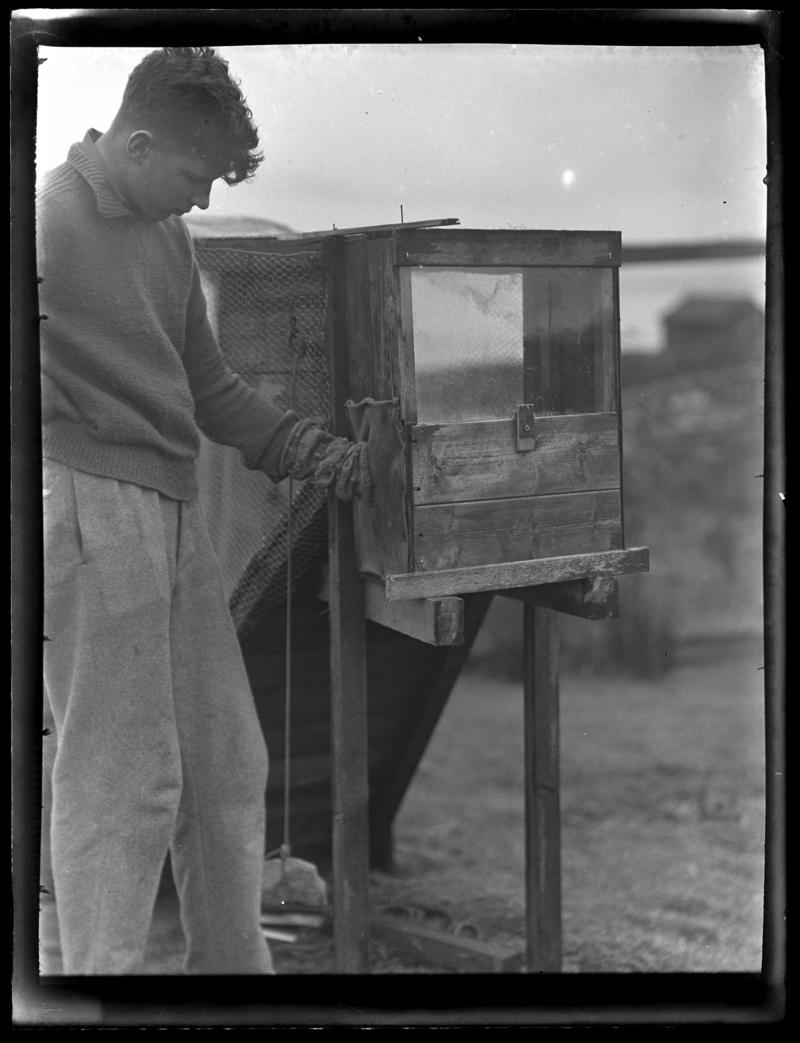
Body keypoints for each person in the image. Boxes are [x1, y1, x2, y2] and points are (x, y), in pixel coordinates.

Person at [36, 46, 370, 976]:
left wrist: (307, 450)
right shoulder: (47, 221)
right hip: (90, 512)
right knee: (122, 780)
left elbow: (210, 385)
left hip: (173, 512)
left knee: (227, 763)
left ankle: (234, 977)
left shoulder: (169, 237)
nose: (206, 201)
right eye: (197, 176)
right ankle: (88, 984)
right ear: (138, 146)